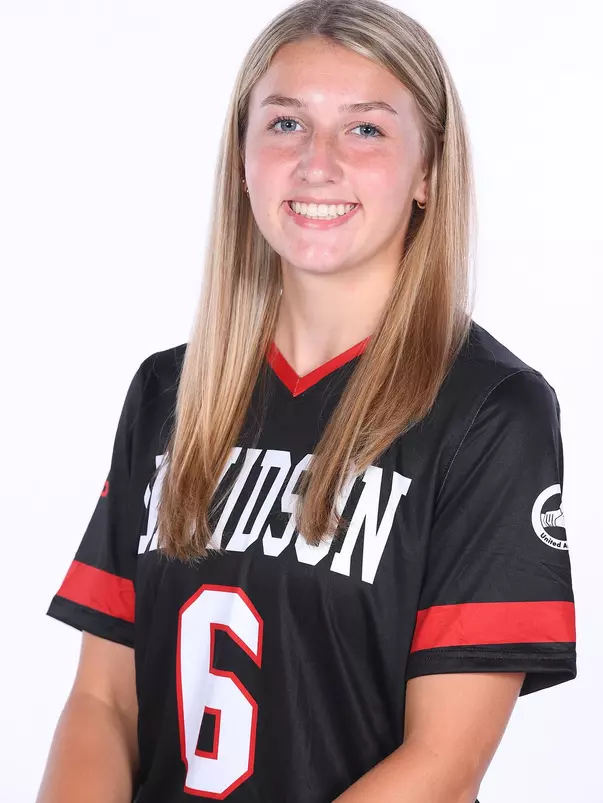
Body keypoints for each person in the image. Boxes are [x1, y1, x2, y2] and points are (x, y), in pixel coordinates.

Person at [36, 1, 577, 801]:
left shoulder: (491, 413)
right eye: (285, 124)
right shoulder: (166, 391)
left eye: (365, 130)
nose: (316, 164)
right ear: (242, 157)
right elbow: (102, 700)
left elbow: (444, 761)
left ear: (426, 171)